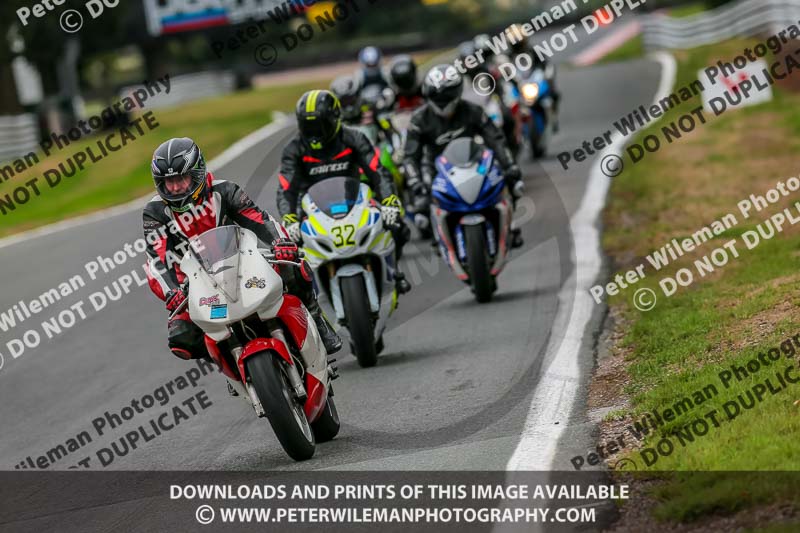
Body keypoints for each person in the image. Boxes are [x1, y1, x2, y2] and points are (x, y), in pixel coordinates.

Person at [143, 137, 343, 361]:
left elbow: (259, 219)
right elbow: (157, 258)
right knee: (181, 338)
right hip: (194, 283)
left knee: (294, 266)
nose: (176, 187)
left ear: (197, 173)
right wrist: (171, 291)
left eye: (181, 178)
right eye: (169, 182)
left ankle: (316, 317)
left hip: (243, 263)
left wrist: (280, 242)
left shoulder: (225, 190)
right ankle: (227, 360)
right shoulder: (155, 212)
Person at [275, 89, 412, 293]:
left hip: (354, 198)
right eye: (308, 126)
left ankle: (395, 271)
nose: (315, 132)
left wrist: (390, 200)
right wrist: (289, 218)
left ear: (335, 119)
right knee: (289, 251)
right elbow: (286, 189)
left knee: (398, 225)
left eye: (320, 125)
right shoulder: (293, 149)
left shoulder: (354, 138)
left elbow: (378, 172)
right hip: (310, 207)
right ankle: (308, 298)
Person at [403, 65, 525, 248]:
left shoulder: (474, 111)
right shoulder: (418, 120)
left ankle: (510, 224)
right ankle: (439, 234)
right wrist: (415, 181)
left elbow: (496, 140)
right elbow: (410, 156)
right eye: (437, 97)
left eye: (447, 95)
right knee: (421, 203)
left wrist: (509, 165)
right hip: (436, 168)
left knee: (509, 180)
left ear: (458, 91)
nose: (442, 101)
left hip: (474, 161)